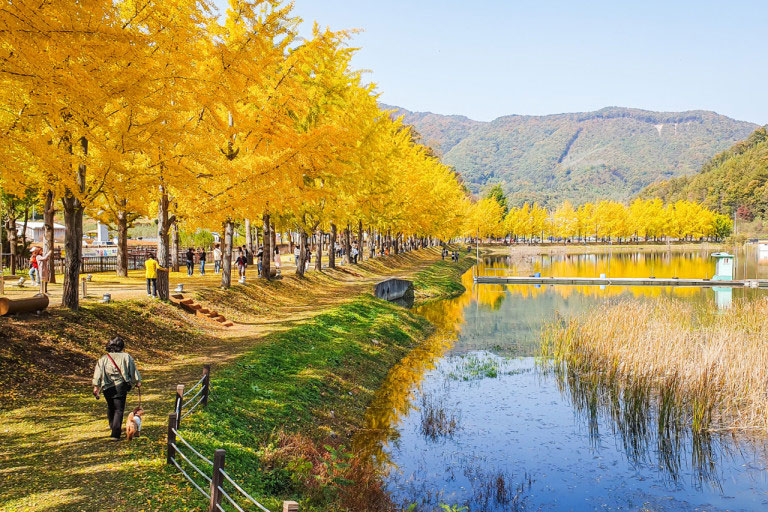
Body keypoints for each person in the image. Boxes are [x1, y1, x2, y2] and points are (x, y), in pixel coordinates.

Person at [92, 336, 142, 441]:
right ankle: (115, 433)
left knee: (111, 407)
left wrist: (96, 387)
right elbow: (133, 370)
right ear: (121, 346)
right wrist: (137, 381)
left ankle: (113, 427)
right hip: (120, 385)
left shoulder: (104, 358)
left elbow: (97, 373)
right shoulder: (126, 357)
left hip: (107, 386)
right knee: (119, 409)